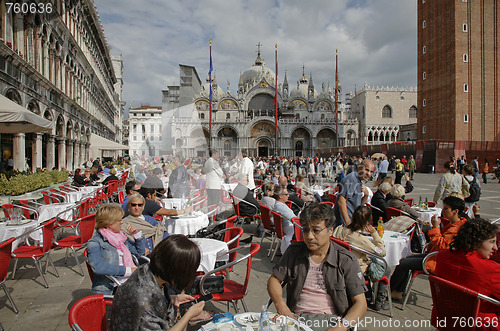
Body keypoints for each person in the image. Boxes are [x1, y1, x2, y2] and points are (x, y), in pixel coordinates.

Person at [267, 203, 367, 331]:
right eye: (306, 230)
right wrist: (280, 303)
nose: (309, 236)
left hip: (331, 322)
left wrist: (341, 327)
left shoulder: (345, 260)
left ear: (330, 230)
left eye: (316, 230)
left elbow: (360, 303)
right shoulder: (294, 252)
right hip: (296, 319)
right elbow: (274, 279)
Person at [110, 235, 210, 330]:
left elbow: (150, 299)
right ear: (179, 271)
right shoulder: (144, 302)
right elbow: (146, 305)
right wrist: (188, 315)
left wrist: (172, 298)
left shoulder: (145, 271)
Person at [390, 196, 468, 300]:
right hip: (435, 255)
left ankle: (393, 290)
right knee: (405, 259)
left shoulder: (456, 228)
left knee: (403, 263)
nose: (443, 211)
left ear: (455, 211)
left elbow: (442, 246)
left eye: (446, 209)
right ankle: (398, 290)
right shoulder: (456, 224)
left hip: (439, 260)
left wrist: (435, 228)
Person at [433, 219, 500, 328]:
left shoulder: (442, 256)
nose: (495, 248)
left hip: (444, 317)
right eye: (492, 242)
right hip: (478, 324)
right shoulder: (491, 270)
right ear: (476, 241)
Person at [333, 206, 389, 311]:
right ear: (367, 222)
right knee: (386, 267)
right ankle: (380, 301)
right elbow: (382, 252)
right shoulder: (360, 240)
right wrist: (374, 234)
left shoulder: (339, 229)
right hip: (356, 268)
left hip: (338, 263)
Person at [87, 204, 146, 294]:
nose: (122, 222)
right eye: (119, 220)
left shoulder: (120, 238)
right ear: (108, 223)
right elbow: (98, 267)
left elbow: (140, 253)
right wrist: (127, 270)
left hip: (128, 281)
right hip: (112, 287)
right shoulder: (95, 242)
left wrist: (137, 236)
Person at [333, 159, 375, 227]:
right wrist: (348, 223)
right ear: (359, 168)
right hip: (344, 224)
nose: (369, 174)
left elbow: (359, 205)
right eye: (366, 170)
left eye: (371, 171)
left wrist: (366, 195)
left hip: (352, 220)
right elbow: (341, 201)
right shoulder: (352, 179)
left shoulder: (358, 180)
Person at [124, 187, 192, 218]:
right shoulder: (149, 204)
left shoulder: (132, 200)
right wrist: (185, 210)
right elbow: (169, 212)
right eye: (154, 195)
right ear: (149, 195)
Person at [272, 186, 297, 255]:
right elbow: (294, 219)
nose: (288, 196)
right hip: (290, 228)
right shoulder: (281, 207)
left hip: (286, 227)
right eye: (286, 194)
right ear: (280, 196)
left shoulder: (278, 205)